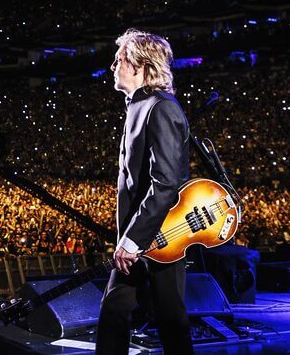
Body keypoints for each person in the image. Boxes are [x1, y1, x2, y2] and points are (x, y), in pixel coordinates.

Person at [95, 29, 193, 355]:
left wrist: (133, 239)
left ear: (139, 65)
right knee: (115, 310)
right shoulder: (140, 106)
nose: (112, 66)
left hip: (161, 235)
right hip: (139, 238)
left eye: (119, 59)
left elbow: (166, 182)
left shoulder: (161, 108)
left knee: (171, 319)